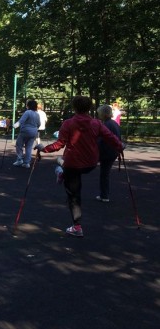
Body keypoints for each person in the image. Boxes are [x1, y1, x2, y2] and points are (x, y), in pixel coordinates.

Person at [35, 96, 124, 237]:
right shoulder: (96, 123)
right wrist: (120, 146)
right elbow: (110, 137)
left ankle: (77, 226)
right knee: (64, 165)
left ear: (74, 108)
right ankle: (62, 173)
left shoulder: (68, 123)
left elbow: (59, 144)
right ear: (90, 108)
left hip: (73, 164)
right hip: (90, 163)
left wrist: (43, 148)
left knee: (74, 195)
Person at [96, 104, 122, 203]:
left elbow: (102, 140)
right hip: (113, 151)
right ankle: (104, 194)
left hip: (108, 152)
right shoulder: (114, 123)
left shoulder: (106, 125)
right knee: (104, 174)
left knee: (104, 174)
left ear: (103, 114)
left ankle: (105, 195)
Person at [12, 100, 40, 168]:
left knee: (19, 145)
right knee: (29, 147)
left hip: (25, 131)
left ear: (28, 106)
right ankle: (27, 163)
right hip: (34, 132)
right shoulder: (37, 114)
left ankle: (19, 159)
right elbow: (39, 124)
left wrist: (13, 126)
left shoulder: (27, 112)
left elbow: (21, 121)